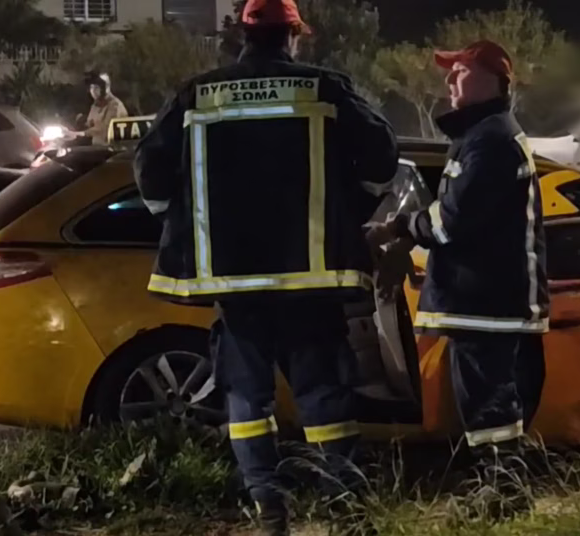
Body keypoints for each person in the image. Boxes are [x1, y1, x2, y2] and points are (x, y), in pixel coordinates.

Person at [132, 0, 399, 533]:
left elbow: (150, 172)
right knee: (323, 392)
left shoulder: (197, 93)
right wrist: (347, 213)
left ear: (242, 35)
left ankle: (268, 508)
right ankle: (344, 506)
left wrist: (190, 223)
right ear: (293, 34)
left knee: (246, 396)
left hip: (235, 282)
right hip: (311, 278)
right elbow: (380, 159)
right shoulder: (325, 88)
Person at [364, 39, 549, 518]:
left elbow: (450, 222)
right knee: (484, 399)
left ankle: (505, 492)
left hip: (486, 298)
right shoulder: (483, 136)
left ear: (495, 81)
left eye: (461, 71)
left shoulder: (491, 140)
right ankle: (500, 487)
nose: (449, 80)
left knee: (488, 401)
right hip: (483, 297)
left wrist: (399, 228)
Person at [78, 71, 128, 145]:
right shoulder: (95, 105)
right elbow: (89, 125)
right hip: (96, 148)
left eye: (96, 87)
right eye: (91, 87)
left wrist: (81, 133)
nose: (93, 91)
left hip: (112, 149)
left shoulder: (115, 106)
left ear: (106, 87)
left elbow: (104, 129)